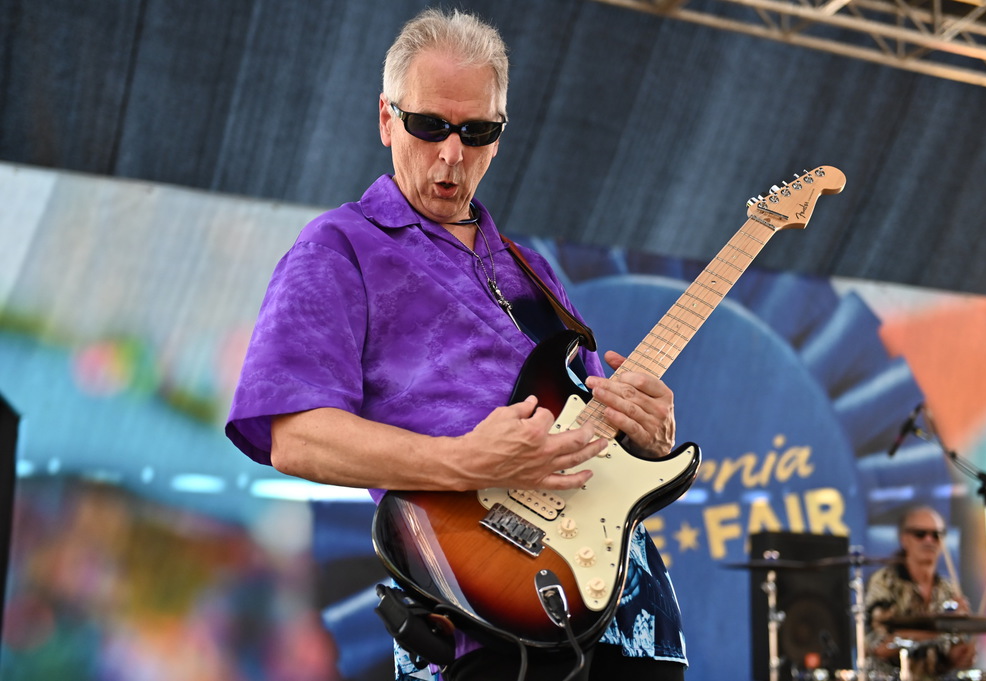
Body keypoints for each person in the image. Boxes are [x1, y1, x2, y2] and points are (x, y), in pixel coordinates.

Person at [225, 8, 687, 681]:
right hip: (482, 616)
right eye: (428, 125)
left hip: (632, 615)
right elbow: (296, 437)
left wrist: (648, 433)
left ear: (499, 135)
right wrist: (462, 460)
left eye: (476, 132)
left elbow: (596, 435)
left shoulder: (533, 269)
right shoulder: (337, 247)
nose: (451, 154)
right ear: (386, 119)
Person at [864, 506, 976, 680]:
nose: (929, 540)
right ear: (904, 539)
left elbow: (948, 655)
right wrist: (940, 630)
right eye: (920, 534)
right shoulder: (885, 581)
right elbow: (880, 646)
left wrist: (960, 655)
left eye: (936, 535)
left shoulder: (948, 589)